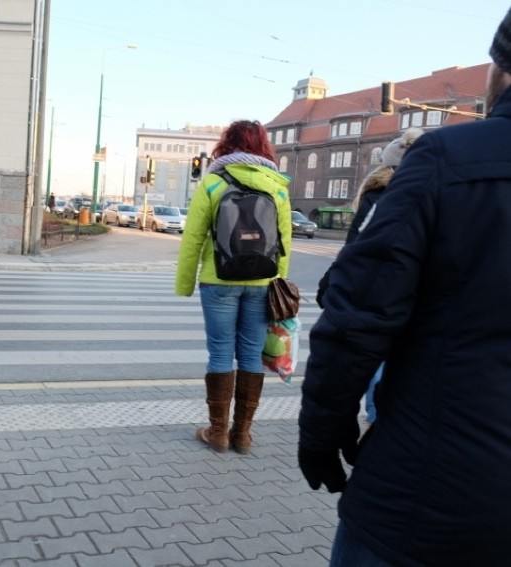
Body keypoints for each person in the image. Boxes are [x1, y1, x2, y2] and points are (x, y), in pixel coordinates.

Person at [299, 9, 511, 565]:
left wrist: (323, 429)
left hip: (431, 496)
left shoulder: (446, 162)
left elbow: (358, 317)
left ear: (502, 72)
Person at [175, 120, 292, 454]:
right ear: (263, 146)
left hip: (218, 279)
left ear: (226, 144)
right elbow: (284, 243)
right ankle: (242, 434)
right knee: (252, 354)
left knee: (220, 351)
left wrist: (185, 284)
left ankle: (218, 432)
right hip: (262, 281)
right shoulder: (277, 186)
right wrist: (277, 283)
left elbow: (193, 238)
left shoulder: (212, 182)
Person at [316, 127, 424, 423]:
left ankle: (377, 431)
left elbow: (354, 250)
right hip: (419, 304)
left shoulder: (377, 197)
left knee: (375, 373)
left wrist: (330, 286)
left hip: (376, 302)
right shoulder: (439, 194)